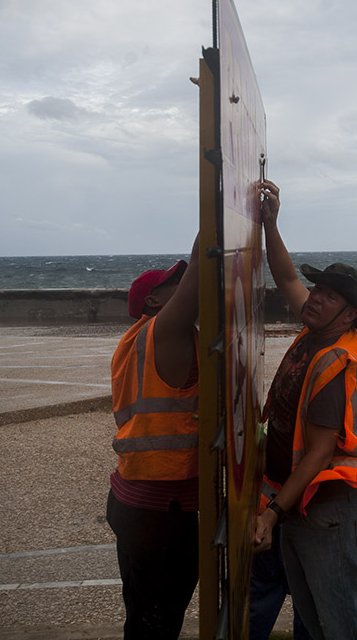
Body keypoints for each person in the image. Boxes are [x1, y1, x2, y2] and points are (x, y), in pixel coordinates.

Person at [251, 180, 357, 640]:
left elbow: (318, 452)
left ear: (349, 315)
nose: (315, 297)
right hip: (304, 506)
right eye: (319, 289)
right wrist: (271, 224)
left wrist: (272, 513)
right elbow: (287, 278)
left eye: (329, 296)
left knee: (341, 627)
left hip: (326, 513)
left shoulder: (337, 360)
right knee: (314, 623)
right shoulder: (318, 329)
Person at [105, 235, 201, 640]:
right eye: (173, 283)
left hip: (138, 497)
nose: (183, 285)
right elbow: (201, 272)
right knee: (157, 623)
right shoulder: (163, 333)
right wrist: (221, 209)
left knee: (146, 616)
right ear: (154, 301)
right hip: (160, 508)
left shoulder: (137, 338)